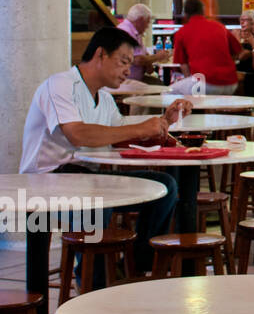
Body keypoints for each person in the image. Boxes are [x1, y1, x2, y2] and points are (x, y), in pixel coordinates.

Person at [21, 27, 187, 274]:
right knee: (99, 197)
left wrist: (163, 123)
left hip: (90, 177)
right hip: (49, 179)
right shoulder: (60, 85)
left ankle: (135, 268)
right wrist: (139, 128)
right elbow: (77, 134)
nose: (128, 71)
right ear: (100, 54)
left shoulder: (106, 99)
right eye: (123, 62)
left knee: (163, 187)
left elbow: (121, 138)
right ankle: (91, 277)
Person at [172, 0, 242, 94]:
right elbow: (237, 51)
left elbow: (183, 65)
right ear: (203, 11)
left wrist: (190, 83)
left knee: (168, 92)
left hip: (204, 83)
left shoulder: (182, 32)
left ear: (186, 14)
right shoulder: (219, 27)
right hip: (230, 83)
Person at [116, 3, 169, 82]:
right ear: (140, 20)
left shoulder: (135, 32)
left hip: (135, 79)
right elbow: (137, 60)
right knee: (159, 86)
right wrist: (157, 57)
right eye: (147, 22)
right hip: (126, 81)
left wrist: (148, 61)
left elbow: (146, 64)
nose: (147, 26)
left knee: (157, 82)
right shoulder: (125, 32)